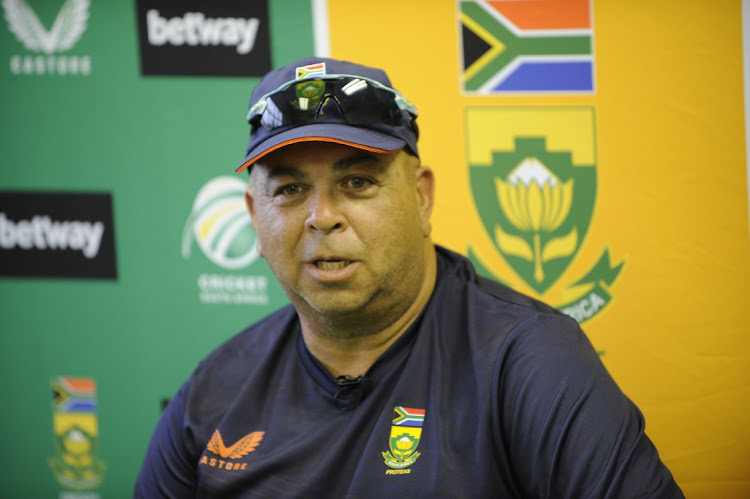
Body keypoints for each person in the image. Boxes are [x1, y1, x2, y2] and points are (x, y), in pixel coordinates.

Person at [135, 57, 683, 498]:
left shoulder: (528, 361)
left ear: (421, 198)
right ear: (255, 218)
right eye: (290, 189)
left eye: (357, 182)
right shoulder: (215, 390)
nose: (322, 216)